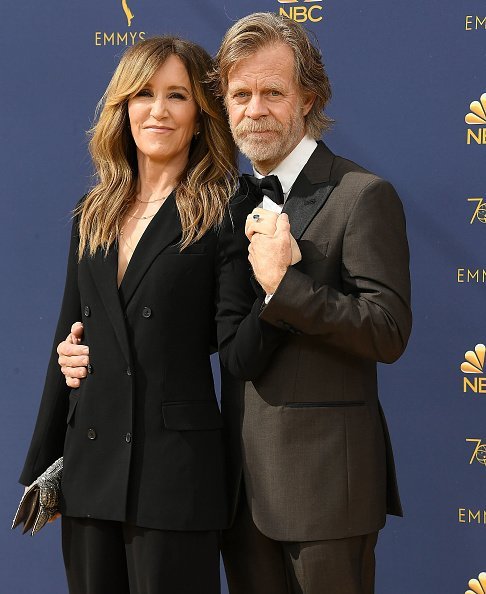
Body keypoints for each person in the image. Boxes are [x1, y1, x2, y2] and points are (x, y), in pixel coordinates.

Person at [57, 13, 412, 594]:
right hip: (238, 495)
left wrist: (285, 289)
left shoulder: (361, 195)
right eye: (240, 94)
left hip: (326, 494)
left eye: (274, 92)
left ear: (309, 98)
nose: (256, 108)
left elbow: (389, 330)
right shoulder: (226, 203)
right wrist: (81, 352)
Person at [18, 35, 284, 594]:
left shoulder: (226, 207)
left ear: (200, 114)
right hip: (90, 471)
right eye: (143, 94)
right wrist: (43, 466)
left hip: (176, 477)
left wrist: (280, 289)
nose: (157, 110)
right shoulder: (92, 214)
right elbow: (67, 339)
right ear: (123, 107)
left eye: (177, 95)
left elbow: (237, 349)